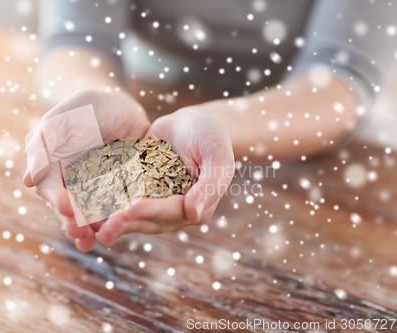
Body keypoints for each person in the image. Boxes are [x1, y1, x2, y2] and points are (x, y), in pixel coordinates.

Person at [24, 0, 397, 251]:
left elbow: (341, 80)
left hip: (311, 134)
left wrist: (218, 123)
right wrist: (91, 97)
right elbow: (75, 40)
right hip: (151, 94)